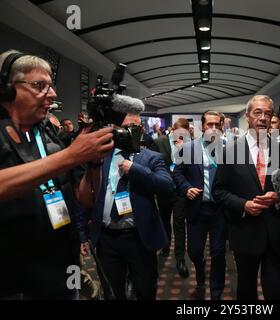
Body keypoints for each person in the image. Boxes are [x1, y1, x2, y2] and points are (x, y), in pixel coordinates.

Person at [0, 49, 113, 299]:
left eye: (50, 86)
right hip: (14, 277)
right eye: (39, 85)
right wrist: (71, 155)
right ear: (7, 89)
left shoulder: (48, 133)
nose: (52, 94)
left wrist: (92, 165)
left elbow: (83, 199)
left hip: (61, 263)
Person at [77, 113, 172, 300]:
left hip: (139, 238)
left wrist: (135, 169)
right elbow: (87, 194)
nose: (126, 132)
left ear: (141, 130)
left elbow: (167, 185)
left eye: (132, 127)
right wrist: (81, 233)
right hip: (106, 238)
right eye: (122, 127)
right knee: (112, 292)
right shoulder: (100, 156)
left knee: (145, 290)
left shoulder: (151, 157)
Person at [212, 95, 280, 300]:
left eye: (268, 113)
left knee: (276, 291)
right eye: (257, 112)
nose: (263, 118)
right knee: (246, 290)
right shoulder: (230, 151)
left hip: (277, 232)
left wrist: (279, 197)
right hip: (245, 231)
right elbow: (219, 191)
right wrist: (244, 205)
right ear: (248, 116)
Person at [173, 110, 226, 300]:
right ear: (202, 126)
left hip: (220, 210)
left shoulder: (229, 148)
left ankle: (216, 292)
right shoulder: (188, 149)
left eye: (216, 125)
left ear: (222, 126)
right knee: (194, 252)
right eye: (209, 124)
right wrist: (186, 188)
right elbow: (177, 173)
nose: (213, 128)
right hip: (197, 208)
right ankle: (200, 274)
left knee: (219, 253)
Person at [152, 118, 190, 278]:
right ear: (173, 129)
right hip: (163, 190)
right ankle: (166, 245)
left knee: (179, 223)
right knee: (164, 219)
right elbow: (153, 164)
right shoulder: (159, 141)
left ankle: (180, 258)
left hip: (180, 191)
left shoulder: (189, 145)